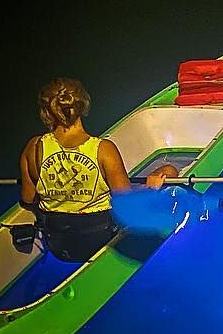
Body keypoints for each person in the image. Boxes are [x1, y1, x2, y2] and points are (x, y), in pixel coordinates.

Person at [18, 78, 176, 263]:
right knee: (169, 169)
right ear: (83, 106)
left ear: (46, 112)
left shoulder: (34, 147)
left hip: (59, 245)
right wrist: (151, 188)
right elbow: (127, 203)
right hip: (100, 240)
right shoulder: (103, 149)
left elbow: (28, 199)